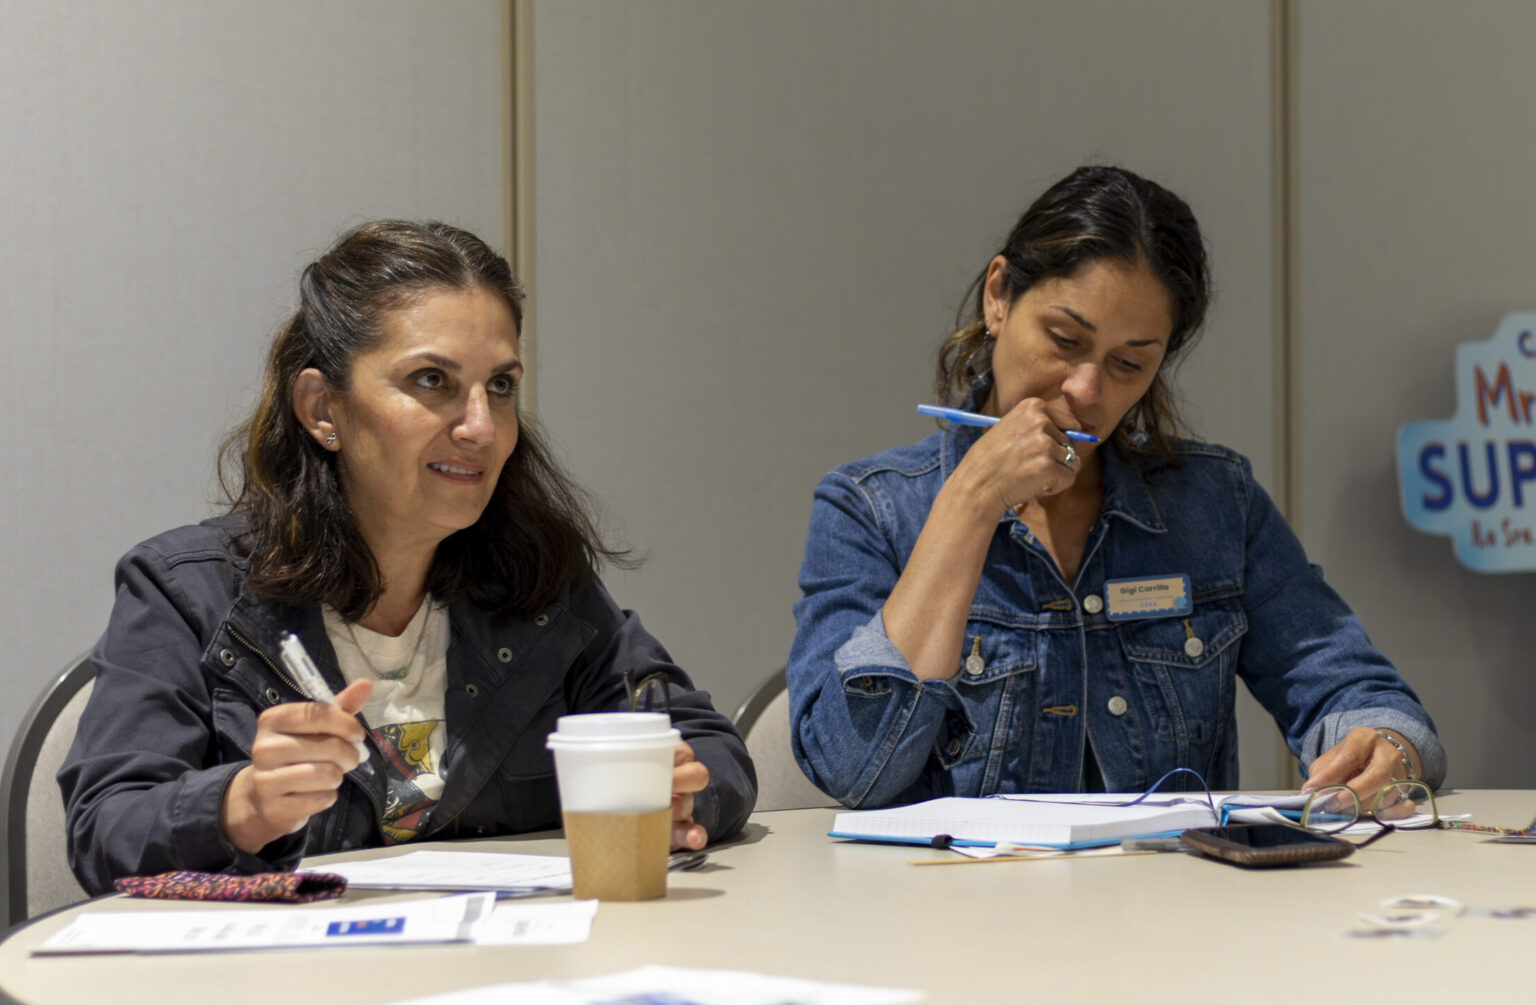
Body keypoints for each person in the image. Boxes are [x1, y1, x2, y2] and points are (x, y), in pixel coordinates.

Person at [61, 220, 756, 894]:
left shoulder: (538, 580)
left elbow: (706, 743)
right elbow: (103, 826)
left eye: (502, 386)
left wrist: (686, 793)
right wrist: (239, 805)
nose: (481, 426)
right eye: (432, 381)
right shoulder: (189, 592)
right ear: (321, 408)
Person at [786, 165, 1444, 809]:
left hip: (1171, 906)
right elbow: (852, 770)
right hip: (953, 909)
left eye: (1129, 363)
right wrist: (972, 499)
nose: (1086, 391)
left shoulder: (1215, 502)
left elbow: (1354, 689)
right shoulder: (869, 508)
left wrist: (1384, 745)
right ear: (998, 296)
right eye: (1064, 339)